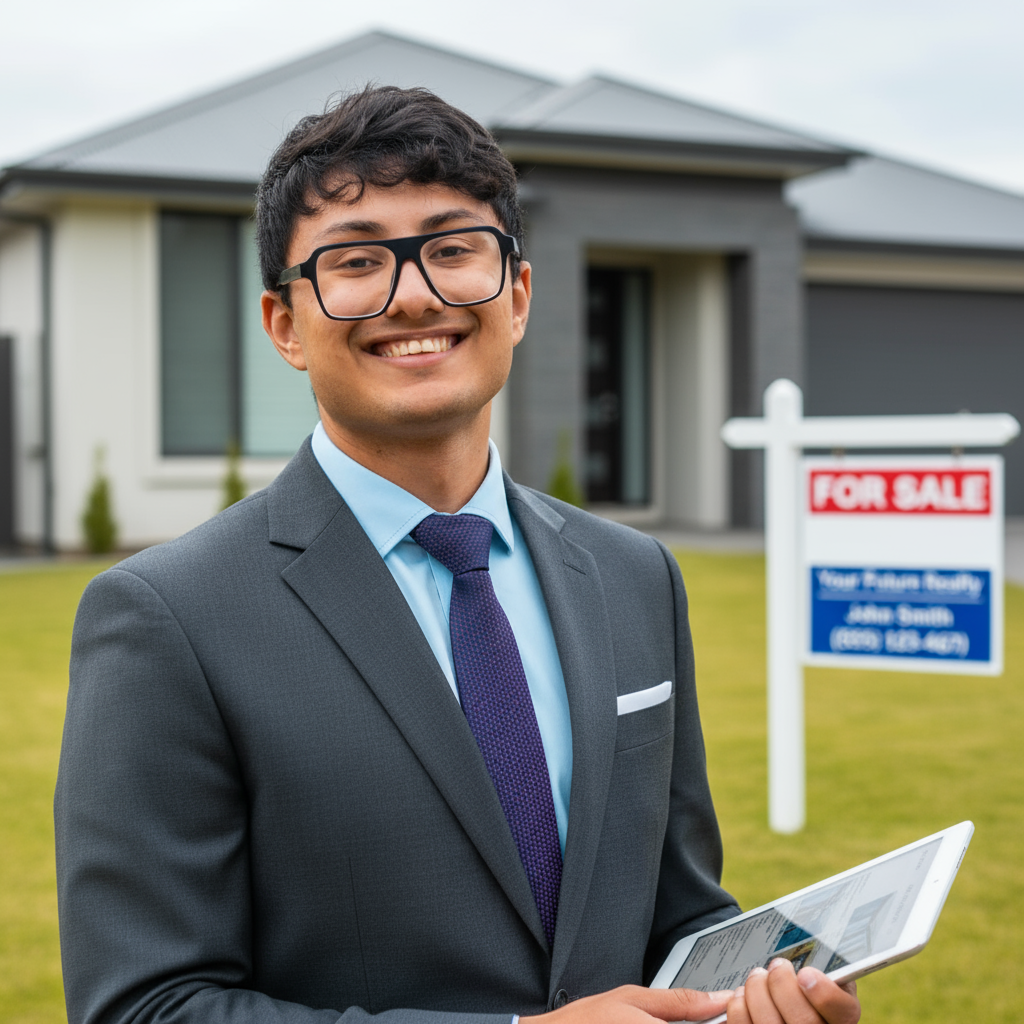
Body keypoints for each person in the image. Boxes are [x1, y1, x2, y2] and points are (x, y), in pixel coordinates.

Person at [55, 86, 860, 1024]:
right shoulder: (169, 618)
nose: (414, 294)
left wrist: (753, 1002)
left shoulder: (635, 576)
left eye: (452, 249)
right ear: (285, 323)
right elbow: (143, 1007)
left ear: (516, 296)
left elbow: (676, 917)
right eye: (357, 261)